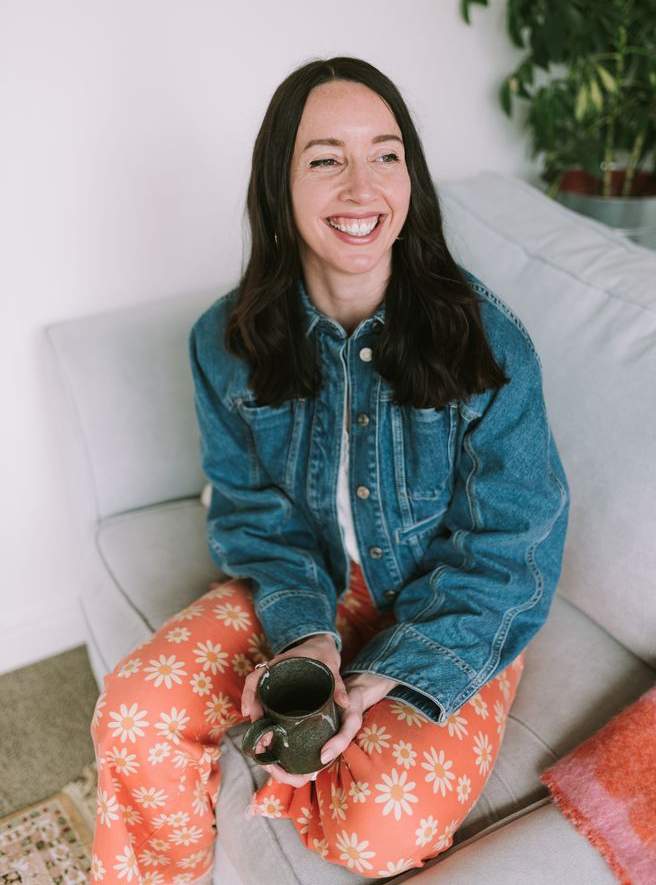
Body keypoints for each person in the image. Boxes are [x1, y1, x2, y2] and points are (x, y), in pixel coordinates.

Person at [89, 57, 569, 884]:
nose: (362, 186)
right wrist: (303, 632)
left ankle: (285, 777)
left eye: (386, 155)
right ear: (280, 184)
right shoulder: (226, 341)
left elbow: (512, 550)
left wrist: (385, 674)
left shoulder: (487, 343)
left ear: (410, 178)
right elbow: (252, 516)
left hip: (449, 605)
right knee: (136, 712)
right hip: (303, 582)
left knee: (379, 830)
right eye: (325, 158)